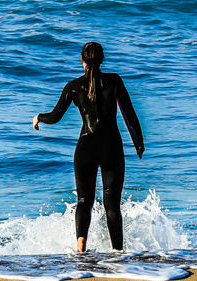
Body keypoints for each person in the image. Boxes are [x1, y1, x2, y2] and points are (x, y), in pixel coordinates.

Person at [33, 42, 144, 252]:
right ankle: (117, 254)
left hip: (85, 149)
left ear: (82, 59)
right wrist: (139, 142)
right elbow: (129, 113)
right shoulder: (115, 80)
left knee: (84, 201)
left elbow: (55, 117)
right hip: (111, 148)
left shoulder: (73, 86)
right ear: (102, 59)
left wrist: (39, 117)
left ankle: (81, 246)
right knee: (112, 206)